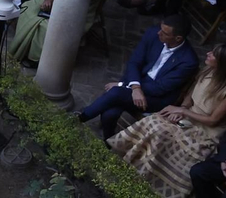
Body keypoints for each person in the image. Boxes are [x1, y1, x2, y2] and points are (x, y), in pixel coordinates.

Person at [107, 42, 226, 198]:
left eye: (213, 54)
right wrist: (181, 108)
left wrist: (183, 113)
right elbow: (190, 96)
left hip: (205, 129)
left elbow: (213, 120)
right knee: (154, 121)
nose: (208, 54)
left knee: (162, 134)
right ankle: (134, 162)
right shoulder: (207, 71)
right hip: (188, 116)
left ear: (223, 62)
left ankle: (151, 177)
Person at [70, 15, 199, 137]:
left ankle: (80, 117)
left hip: (155, 98)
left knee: (115, 93)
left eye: (165, 33)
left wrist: (124, 85)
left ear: (178, 38)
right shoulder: (153, 34)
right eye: (160, 29)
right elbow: (134, 62)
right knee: (111, 112)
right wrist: (134, 87)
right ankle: (108, 140)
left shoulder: (188, 61)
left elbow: (160, 88)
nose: (159, 33)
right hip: (136, 82)